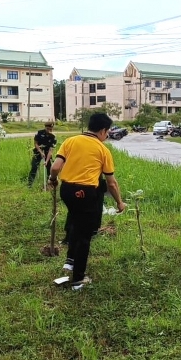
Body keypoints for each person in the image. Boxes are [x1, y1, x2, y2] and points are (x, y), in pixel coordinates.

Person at [48, 113, 126, 291]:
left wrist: (52, 179)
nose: (107, 135)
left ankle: (70, 261)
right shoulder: (103, 150)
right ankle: (78, 279)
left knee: (76, 222)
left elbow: (55, 167)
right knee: (85, 235)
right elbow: (111, 183)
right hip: (85, 193)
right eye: (107, 132)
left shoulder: (70, 141)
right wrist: (120, 203)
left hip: (66, 190)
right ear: (103, 130)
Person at [28, 121, 57, 187]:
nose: (49, 130)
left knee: (49, 168)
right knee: (34, 167)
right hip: (38, 151)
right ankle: (30, 184)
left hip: (47, 152)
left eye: (51, 129)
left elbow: (51, 150)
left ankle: (49, 184)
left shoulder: (53, 137)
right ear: (45, 127)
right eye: (47, 129)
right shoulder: (39, 133)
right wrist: (40, 152)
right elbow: (35, 143)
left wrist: (46, 161)